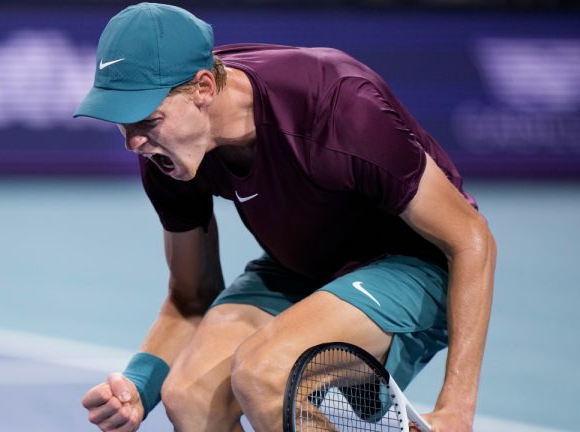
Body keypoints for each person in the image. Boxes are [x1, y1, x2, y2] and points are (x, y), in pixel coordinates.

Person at [74, 3, 496, 431]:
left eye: (147, 119)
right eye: (121, 122)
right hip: (302, 266)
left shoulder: (338, 107)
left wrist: (456, 409)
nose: (133, 143)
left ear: (203, 88)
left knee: (267, 371)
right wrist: (138, 386)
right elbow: (190, 297)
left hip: (411, 265)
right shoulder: (164, 154)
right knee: (188, 396)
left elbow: (470, 237)